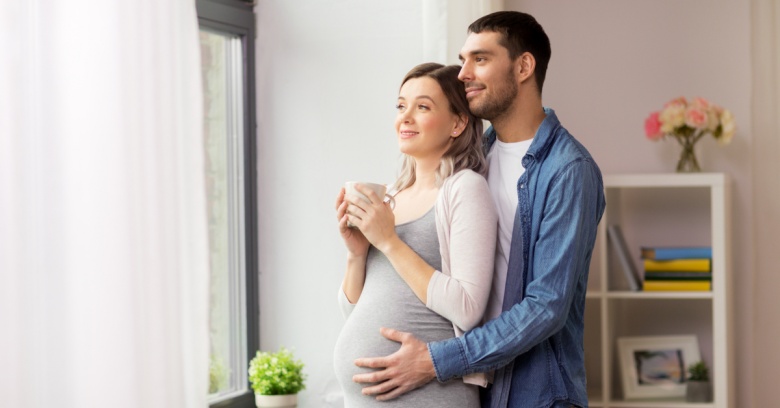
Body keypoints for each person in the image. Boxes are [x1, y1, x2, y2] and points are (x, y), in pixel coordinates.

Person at [351, 11, 606, 408]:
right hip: (479, 387)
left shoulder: (568, 170)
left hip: (536, 394)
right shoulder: (475, 158)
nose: (464, 73)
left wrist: (436, 362)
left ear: (523, 66)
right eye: (463, 58)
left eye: (480, 59)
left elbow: (546, 307)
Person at [332, 63, 499, 407]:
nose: (405, 117)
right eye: (401, 105)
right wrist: (357, 253)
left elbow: (467, 308)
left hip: (429, 396)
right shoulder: (390, 195)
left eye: (422, 107)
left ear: (458, 123)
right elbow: (353, 315)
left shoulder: (465, 189)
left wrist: (389, 242)